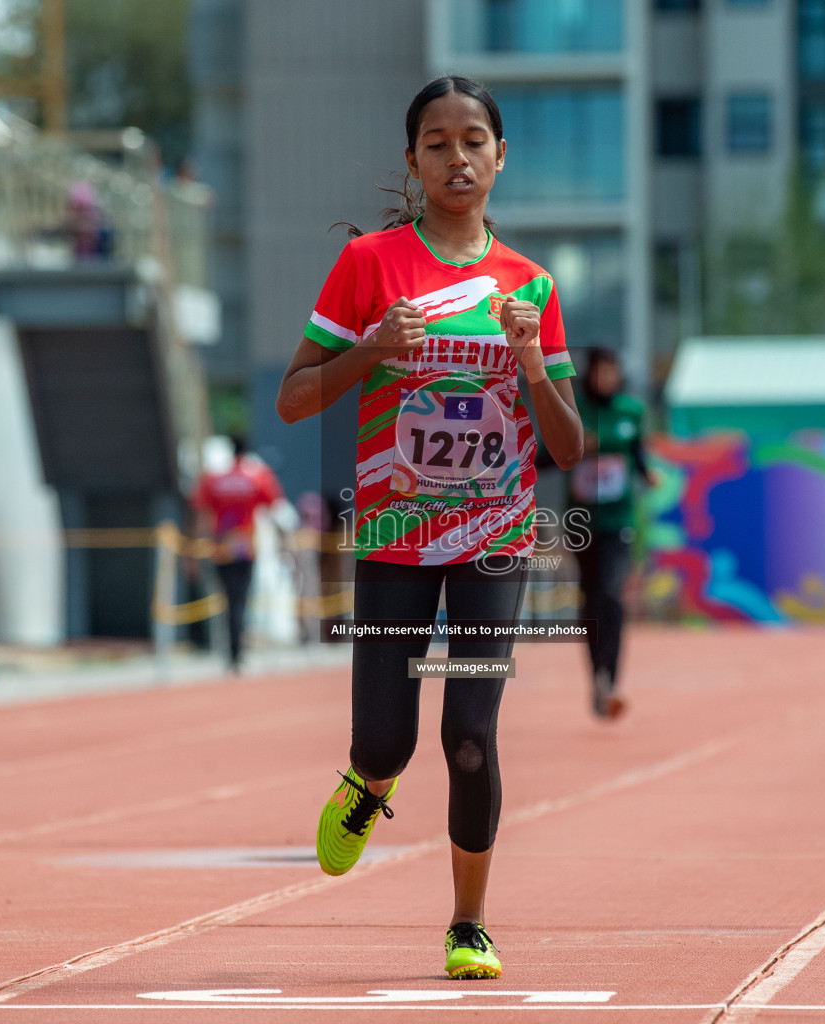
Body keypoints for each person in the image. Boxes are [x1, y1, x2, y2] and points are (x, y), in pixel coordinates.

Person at [275, 75, 583, 980]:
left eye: (475, 140)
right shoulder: (370, 265)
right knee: (388, 741)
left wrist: (530, 361)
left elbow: (565, 445)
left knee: (471, 737)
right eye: (439, 143)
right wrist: (370, 350)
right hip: (398, 532)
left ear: (500, 156)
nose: (459, 157)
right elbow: (295, 397)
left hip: (494, 538)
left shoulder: (531, 283)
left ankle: (469, 923)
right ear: (413, 160)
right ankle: (369, 780)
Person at [568, 348, 651, 720]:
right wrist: (581, 447)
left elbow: (637, 452)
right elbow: (548, 455)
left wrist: (647, 473)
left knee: (612, 597)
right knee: (591, 602)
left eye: (612, 372)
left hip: (619, 521)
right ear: (590, 374)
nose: (607, 378)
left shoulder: (631, 411)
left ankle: (611, 680)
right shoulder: (575, 408)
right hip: (582, 523)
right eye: (601, 372)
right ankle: (597, 676)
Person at [191, 437, 284, 671]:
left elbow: (202, 514)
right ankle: (236, 652)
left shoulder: (213, 479)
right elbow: (275, 507)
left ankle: (231, 652)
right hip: (245, 547)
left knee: (226, 600)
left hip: (221, 546)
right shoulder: (257, 476)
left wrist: (194, 551)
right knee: (240, 600)